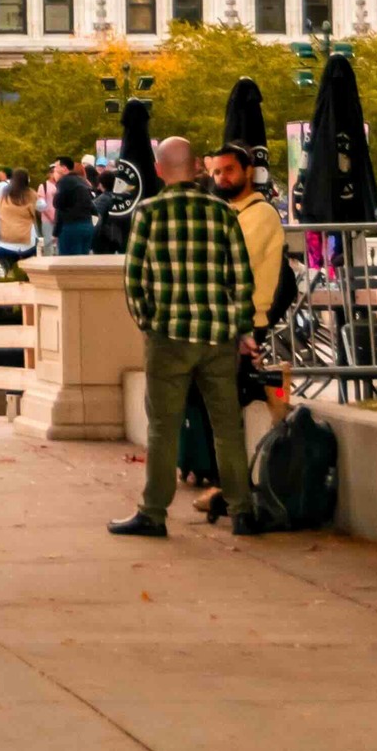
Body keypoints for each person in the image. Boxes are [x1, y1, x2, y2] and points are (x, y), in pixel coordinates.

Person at [112, 137, 260, 538]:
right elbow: (242, 278)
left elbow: (134, 279)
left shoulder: (148, 213)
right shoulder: (222, 212)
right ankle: (242, 510)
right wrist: (242, 328)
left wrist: (149, 322)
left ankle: (154, 513)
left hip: (168, 336)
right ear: (197, 166)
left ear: (159, 171)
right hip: (217, 336)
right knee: (227, 427)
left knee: (163, 427)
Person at [51, 157, 97, 256]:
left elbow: (58, 205)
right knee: (82, 262)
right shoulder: (83, 182)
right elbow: (93, 207)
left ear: (64, 168)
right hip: (87, 225)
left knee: (69, 263)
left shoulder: (64, 182)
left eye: (56, 167)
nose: (54, 170)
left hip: (71, 227)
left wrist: (56, 232)